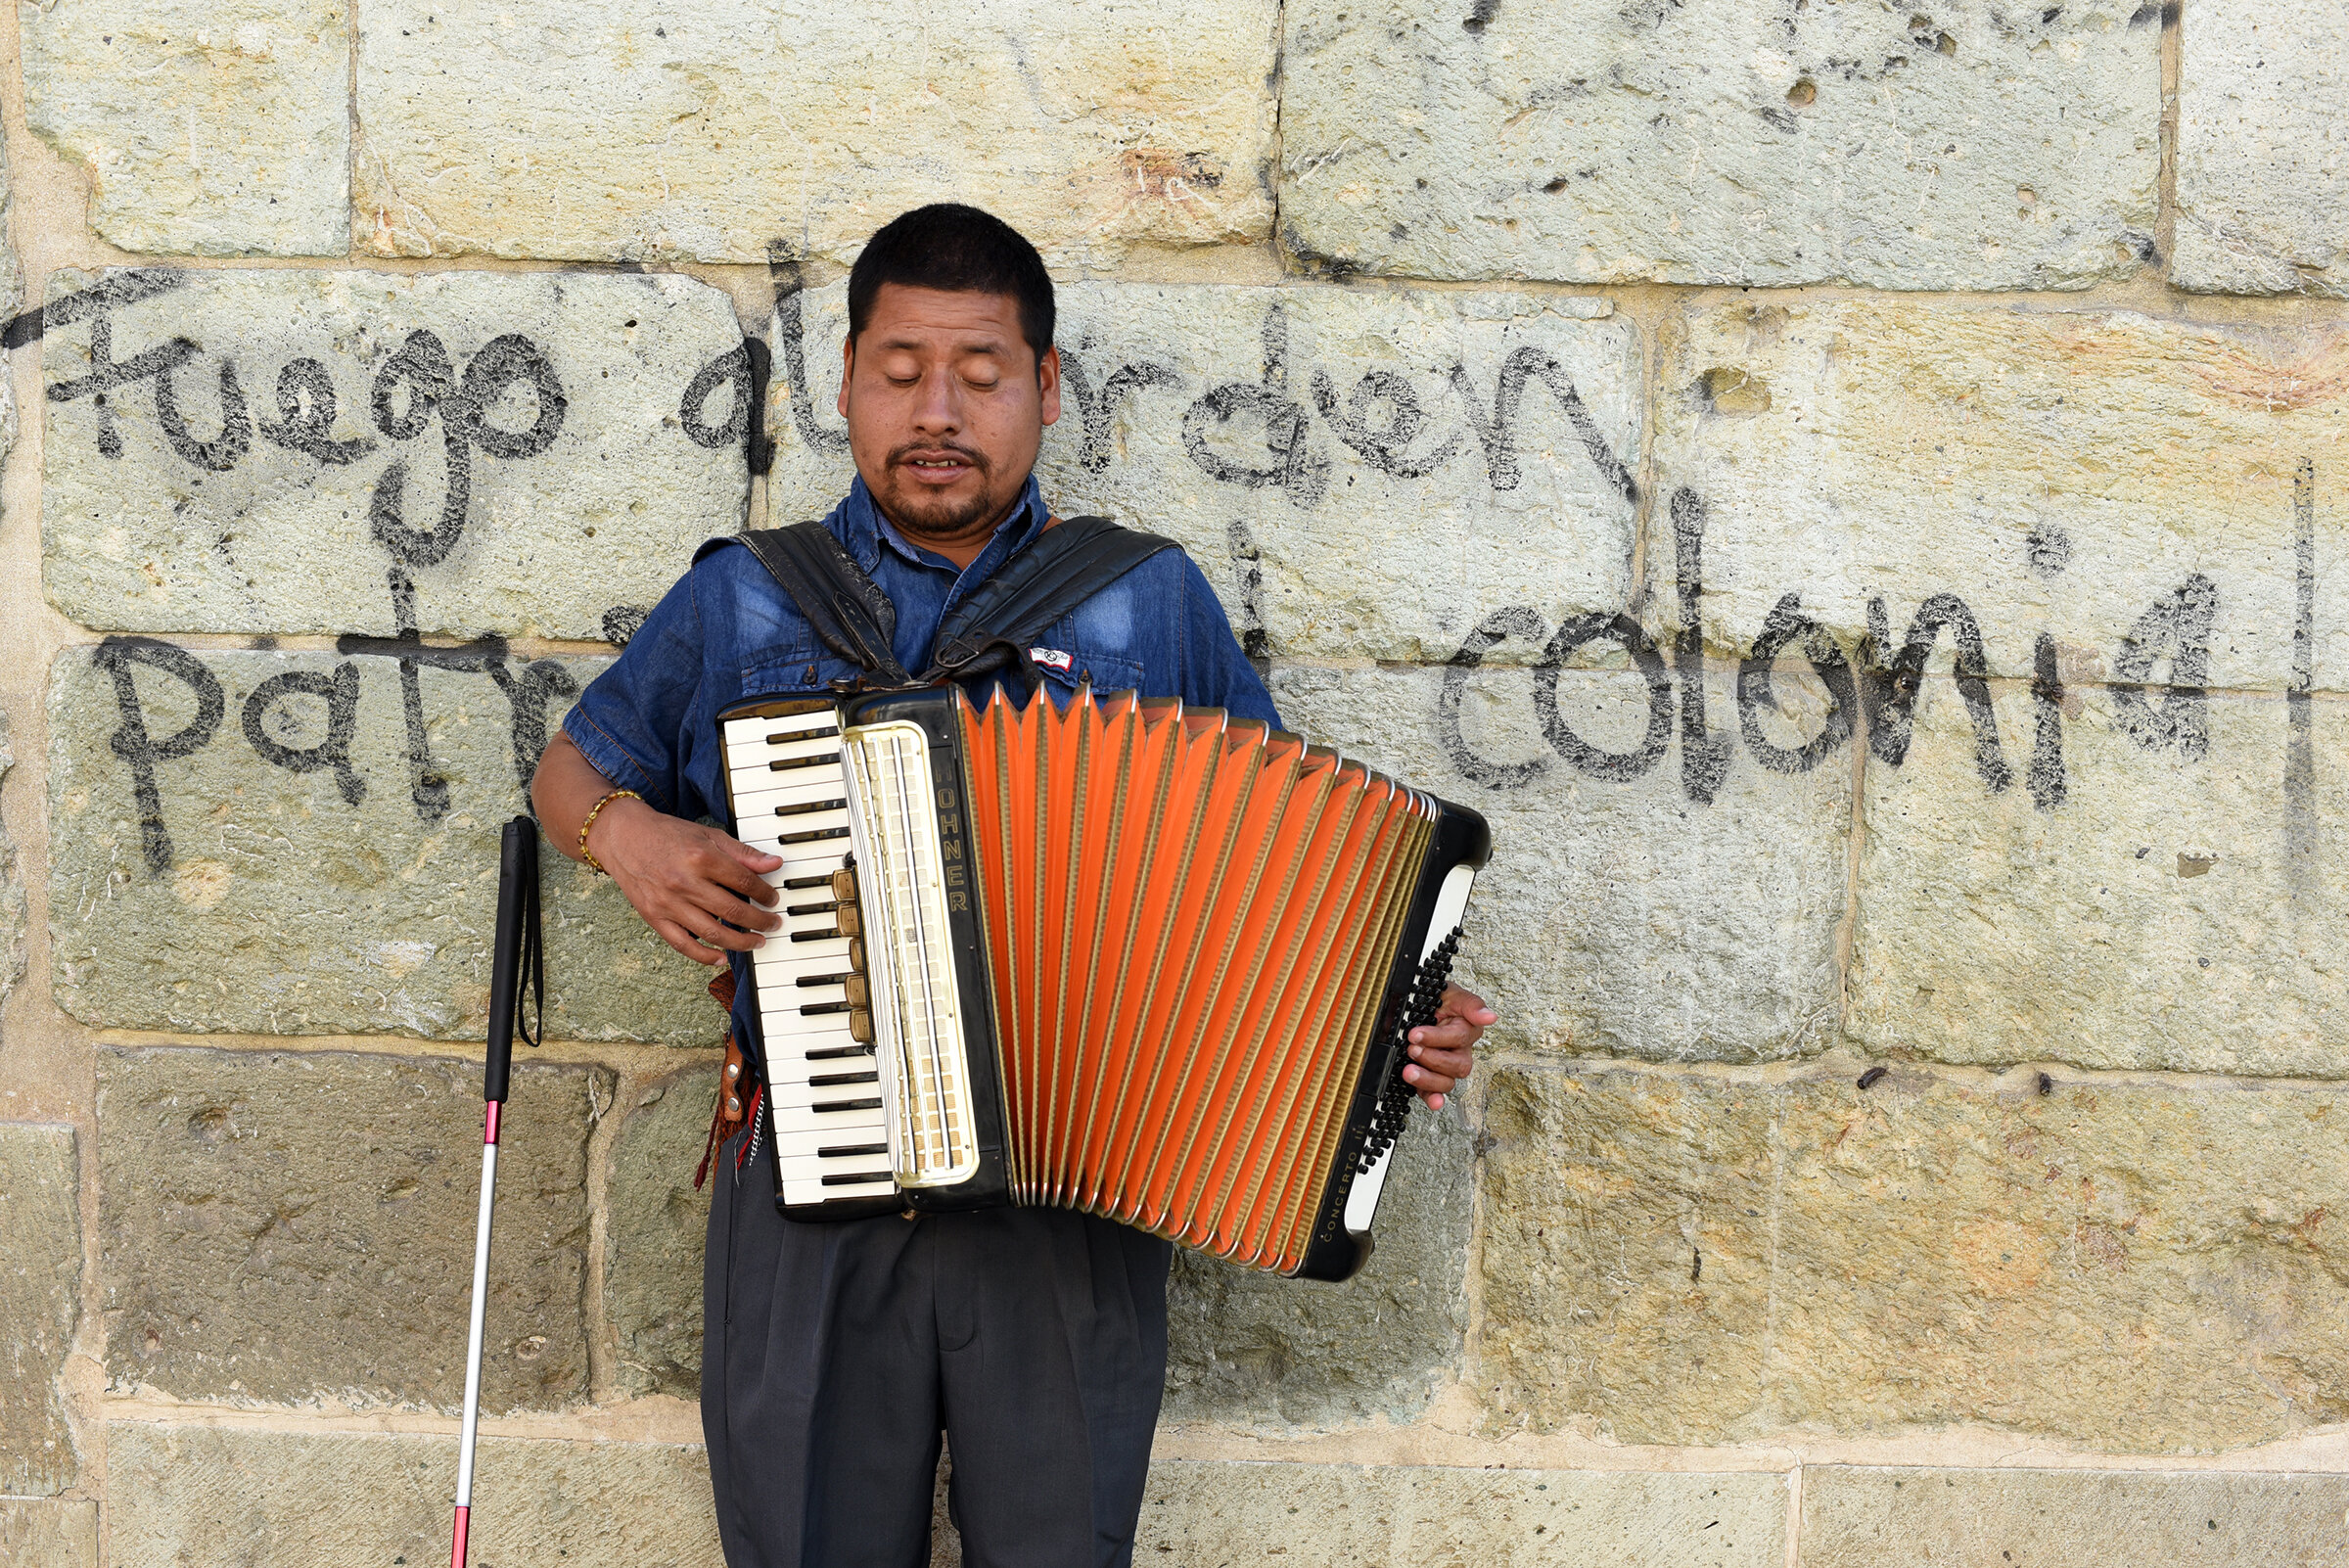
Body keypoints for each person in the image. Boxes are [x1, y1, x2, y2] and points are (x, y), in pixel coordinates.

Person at [530, 203, 1497, 1568]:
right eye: (901, 369)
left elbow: (1300, 879)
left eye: (982, 375)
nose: (939, 410)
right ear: (846, 384)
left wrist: (1396, 1021)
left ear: (1045, 388)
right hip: (813, 1199)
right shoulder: (748, 600)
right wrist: (628, 835)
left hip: (1075, 1205)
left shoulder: (1149, 603)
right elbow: (568, 770)